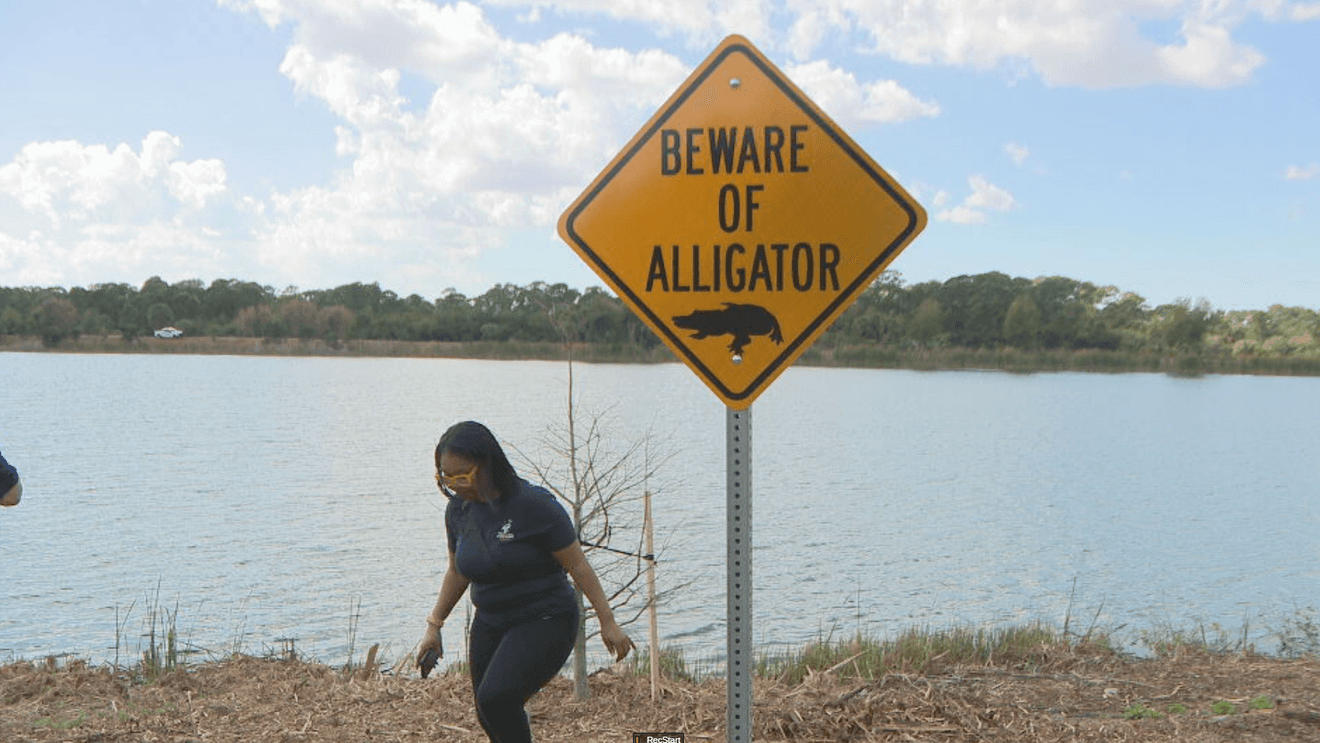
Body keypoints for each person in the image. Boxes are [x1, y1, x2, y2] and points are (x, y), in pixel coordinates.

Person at [417, 421, 633, 743]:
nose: (454, 485)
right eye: (445, 476)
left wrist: (608, 620)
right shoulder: (458, 511)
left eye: (461, 476)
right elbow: (458, 571)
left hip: (546, 617)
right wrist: (434, 625)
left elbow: (578, 565)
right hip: (491, 619)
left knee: (497, 699)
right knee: (487, 712)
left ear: (486, 465)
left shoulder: (534, 505)